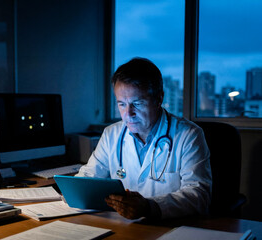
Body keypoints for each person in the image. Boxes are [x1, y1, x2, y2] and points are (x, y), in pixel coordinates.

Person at [76, 57, 212, 220]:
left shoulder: (188, 135)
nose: (128, 114)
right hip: (124, 227)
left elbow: (198, 195)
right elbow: (89, 178)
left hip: (173, 228)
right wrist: (75, 190)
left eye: (137, 103)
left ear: (159, 99)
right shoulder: (111, 134)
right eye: (122, 104)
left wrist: (150, 207)